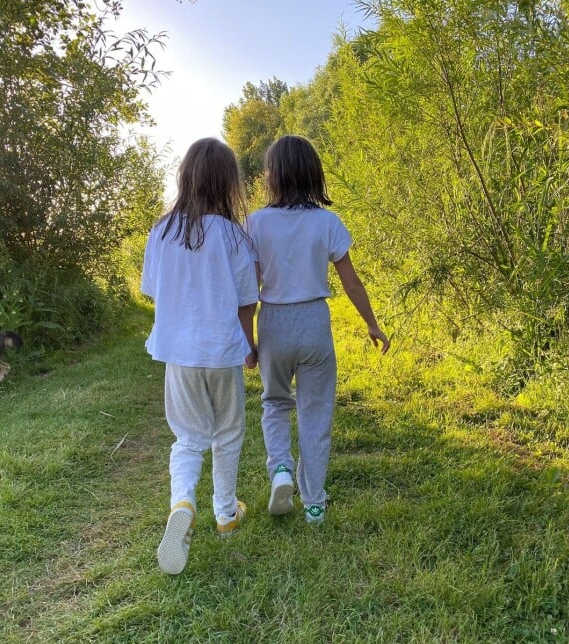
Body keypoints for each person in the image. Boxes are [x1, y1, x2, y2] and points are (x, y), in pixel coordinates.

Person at [249, 135, 389, 525]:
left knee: (275, 402)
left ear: (273, 175)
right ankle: (313, 502)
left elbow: (248, 288)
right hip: (314, 321)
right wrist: (372, 325)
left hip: (274, 319)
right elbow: (352, 282)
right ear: (313, 173)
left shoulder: (256, 223)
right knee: (315, 411)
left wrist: (245, 339)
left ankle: (280, 469)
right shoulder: (327, 222)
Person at [141, 138, 259, 575]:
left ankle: (183, 502)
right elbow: (248, 300)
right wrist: (250, 346)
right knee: (227, 431)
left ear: (185, 175)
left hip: (179, 352)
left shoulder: (162, 230)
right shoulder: (234, 236)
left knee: (188, 437)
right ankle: (225, 513)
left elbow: (154, 291)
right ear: (228, 182)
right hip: (222, 350)